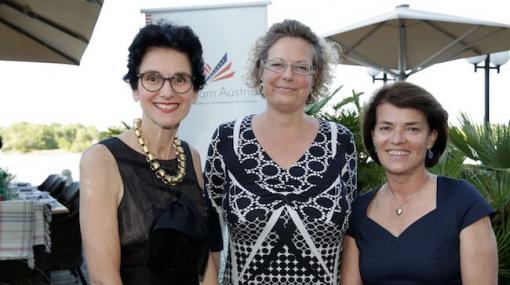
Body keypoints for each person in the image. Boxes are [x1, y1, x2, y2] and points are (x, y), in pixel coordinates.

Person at [204, 19, 357, 284]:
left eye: (300, 67)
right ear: (260, 70)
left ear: (315, 76)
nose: (288, 75)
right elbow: (208, 233)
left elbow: (352, 235)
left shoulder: (339, 142)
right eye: (277, 64)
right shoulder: (227, 139)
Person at [80, 22, 218, 285]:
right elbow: (102, 279)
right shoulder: (102, 161)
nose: (167, 92)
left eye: (180, 79)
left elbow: (204, 258)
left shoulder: (193, 157)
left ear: (195, 91)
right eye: (152, 78)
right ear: (135, 88)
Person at [341, 81, 498, 284]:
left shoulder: (462, 201)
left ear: (431, 137)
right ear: (373, 136)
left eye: (412, 129)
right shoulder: (359, 212)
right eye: (386, 128)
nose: (397, 139)